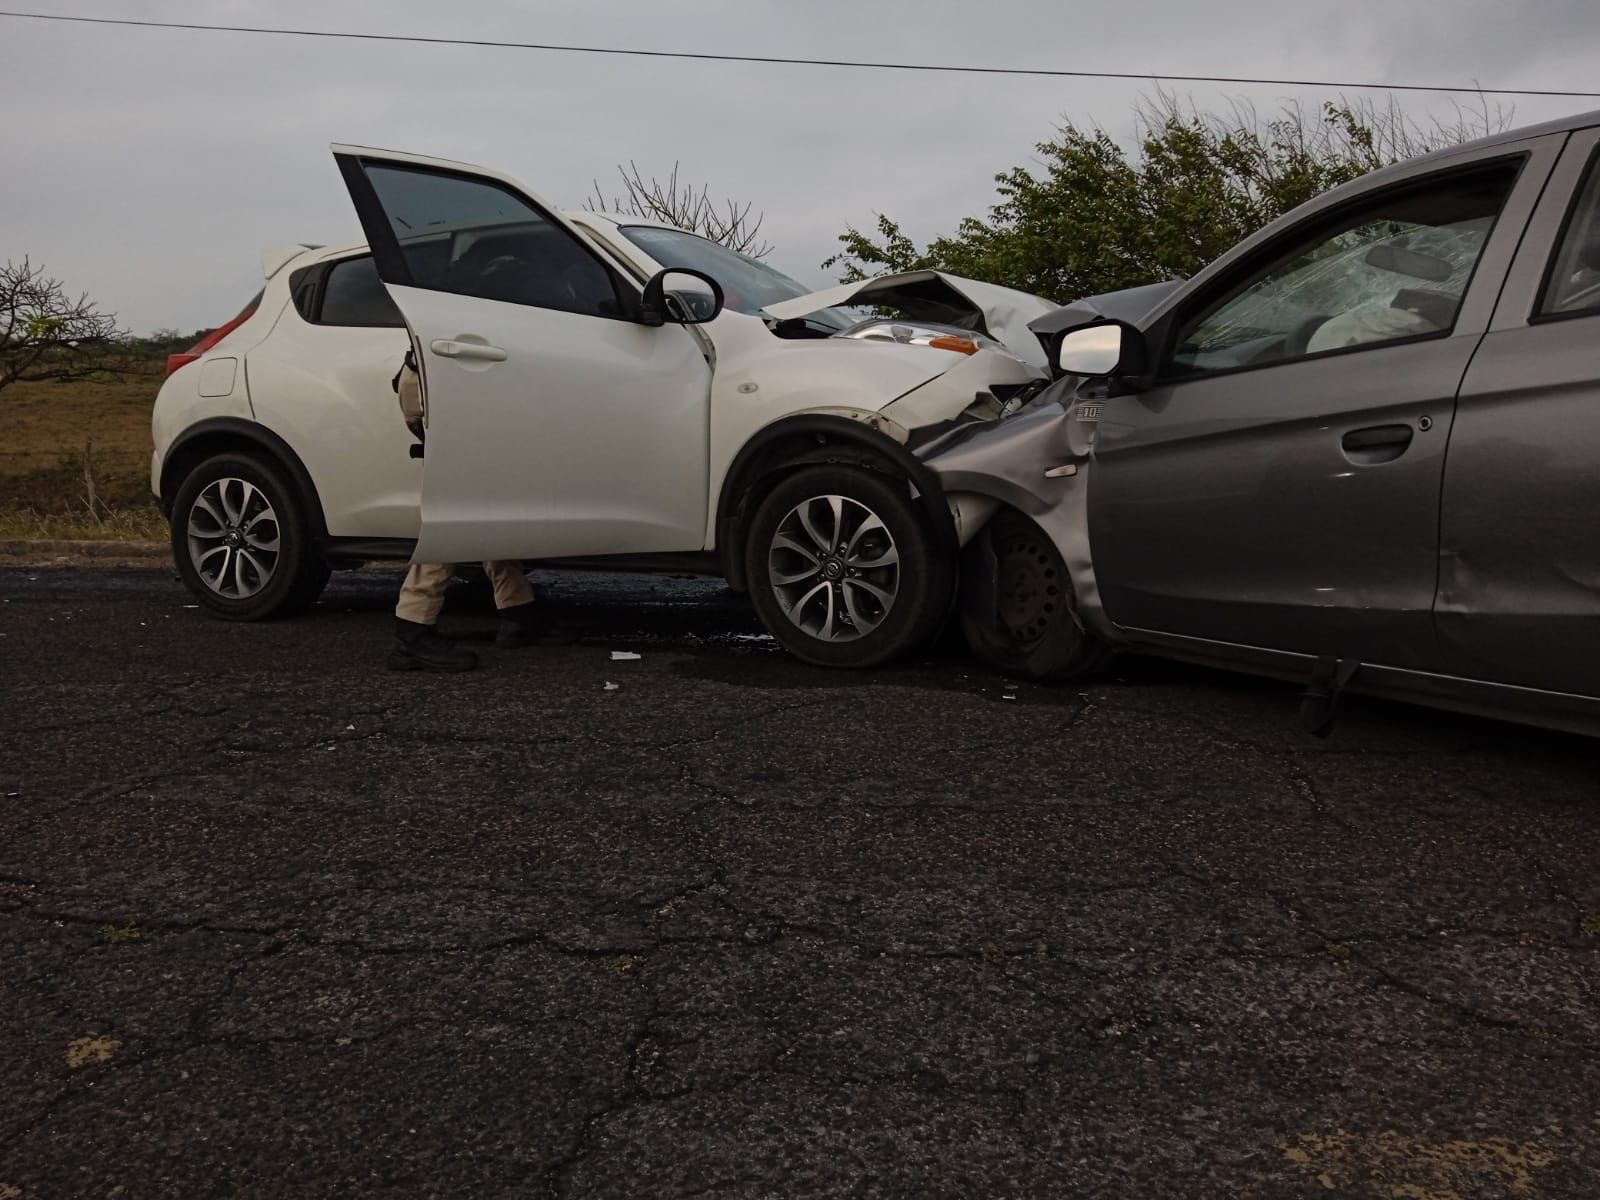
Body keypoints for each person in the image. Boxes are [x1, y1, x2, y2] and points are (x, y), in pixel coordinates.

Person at [386, 348, 543, 672]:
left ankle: (519, 611)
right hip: (449, 391)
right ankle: (412, 631)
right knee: (452, 520)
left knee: (487, 512)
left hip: (458, 389)